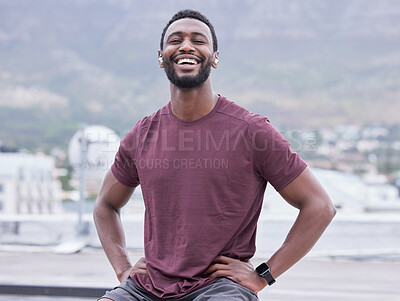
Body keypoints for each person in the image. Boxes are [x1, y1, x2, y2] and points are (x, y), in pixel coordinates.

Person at [94, 9, 336, 301]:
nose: (186, 46)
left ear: (214, 57)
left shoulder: (252, 131)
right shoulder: (142, 134)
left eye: (198, 40)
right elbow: (105, 205)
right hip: (148, 288)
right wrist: (123, 270)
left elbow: (320, 206)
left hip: (219, 288)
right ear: (161, 57)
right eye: (176, 40)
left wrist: (264, 274)